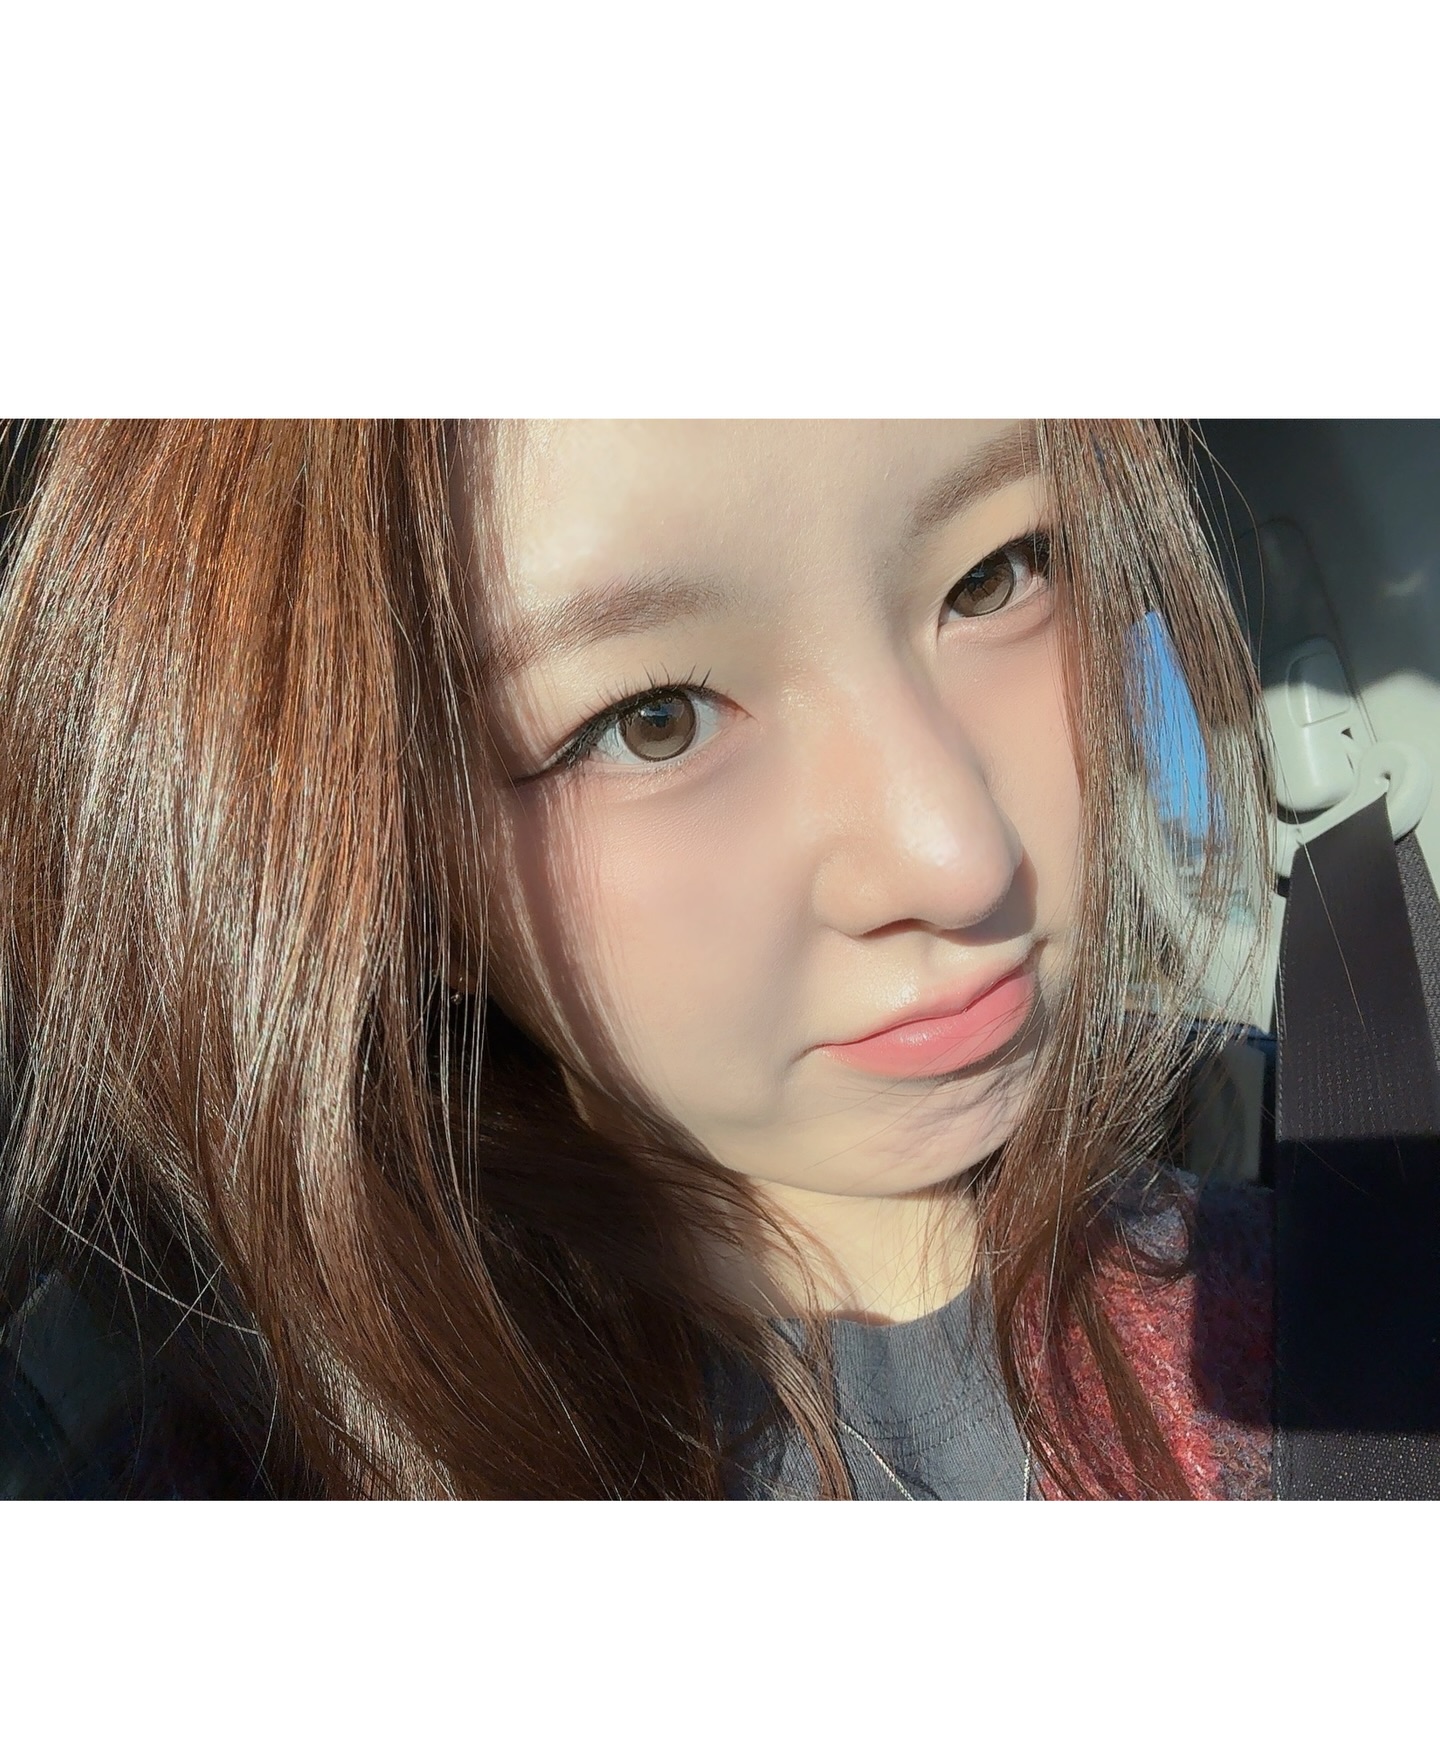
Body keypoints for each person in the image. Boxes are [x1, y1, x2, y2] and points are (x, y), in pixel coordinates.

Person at [0, 419, 1274, 1500]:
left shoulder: (1320, 1283)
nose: (957, 856)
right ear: (391, 875)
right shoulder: (232, 1469)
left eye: (995, 577)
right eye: (651, 722)